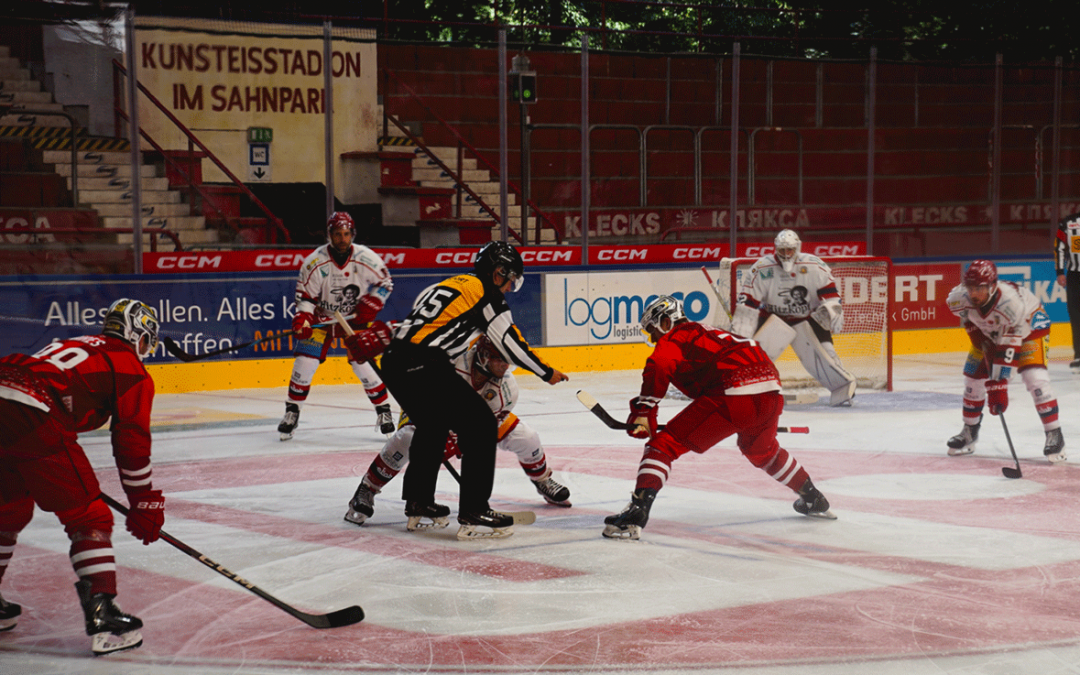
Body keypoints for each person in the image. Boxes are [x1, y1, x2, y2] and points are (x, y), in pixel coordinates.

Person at [368, 241, 569, 540]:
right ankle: (475, 508)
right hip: (425, 362)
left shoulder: (450, 284)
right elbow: (509, 341)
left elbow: (417, 322)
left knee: (432, 425)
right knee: (482, 424)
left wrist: (384, 337)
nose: (507, 289)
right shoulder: (485, 294)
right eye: (509, 280)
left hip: (394, 360)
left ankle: (419, 502)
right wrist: (546, 371)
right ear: (498, 272)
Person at [0, 298, 166, 655]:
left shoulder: (78, 343)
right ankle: (103, 615)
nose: (146, 349)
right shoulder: (131, 368)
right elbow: (131, 441)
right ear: (138, 335)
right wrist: (143, 500)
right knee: (89, 516)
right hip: (32, 410)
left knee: (7, 511)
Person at [603, 295, 835, 541]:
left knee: (662, 446)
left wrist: (644, 410)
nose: (652, 337)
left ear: (666, 321)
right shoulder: (712, 331)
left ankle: (634, 517)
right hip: (770, 392)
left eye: (653, 329)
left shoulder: (676, 336)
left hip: (733, 395)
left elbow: (660, 365)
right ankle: (813, 497)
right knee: (761, 450)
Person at [344, 334, 571, 528]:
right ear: (483, 355)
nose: (505, 366)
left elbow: (482, 430)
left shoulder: (507, 389)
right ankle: (367, 489)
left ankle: (542, 480)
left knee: (526, 436)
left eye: (507, 362)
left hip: (474, 419)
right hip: (427, 409)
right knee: (408, 439)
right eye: (500, 360)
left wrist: (457, 441)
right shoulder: (453, 363)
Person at [278, 211, 396, 440]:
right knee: (305, 362)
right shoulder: (314, 261)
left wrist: (372, 302)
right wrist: (304, 318)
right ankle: (292, 412)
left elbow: (385, 283)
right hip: (323, 321)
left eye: (346, 234)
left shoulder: (367, 258)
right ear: (329, 235)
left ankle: (384, 411)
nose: (342, 238)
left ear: (352, 234)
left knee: (364, 364)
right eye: (337, 234)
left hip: (355, 319)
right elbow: (306, 298)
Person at [945, 260, 1065, 461]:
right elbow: (967, 317)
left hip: (1028, 328)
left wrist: (999, 385)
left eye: (980, 288)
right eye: (970, 288)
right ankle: (969, 432)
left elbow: (1008, 347)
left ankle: (1054, 434)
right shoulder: (957, 298)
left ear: (992, 286)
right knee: (973, 379)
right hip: (989, 332)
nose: (974, 294)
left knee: (1034, 377)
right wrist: (978, 336)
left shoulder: (1011, 305)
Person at [729, 229, 856, 406]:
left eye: (790, 250)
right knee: (753, 358)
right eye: (782, 250)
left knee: (827, 355)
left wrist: (832, 309)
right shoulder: (761, 268)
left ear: (798, 247)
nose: (786, 254)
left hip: (808, 319)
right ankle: (736, 387)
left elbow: (831, 296)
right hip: (773, 320)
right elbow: (747, 306)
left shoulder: (815, 266)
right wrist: (741, 336)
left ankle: (842, 388)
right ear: (775, 248)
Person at [1055, 211, 1080, 373]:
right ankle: (1079, 355)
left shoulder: (1068, 222)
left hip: (1073, 276)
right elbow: (1059, 247)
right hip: (1074, 277)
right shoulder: (1067, 223)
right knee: (1076, 314)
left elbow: (1059, 248)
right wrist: (1059, 271)